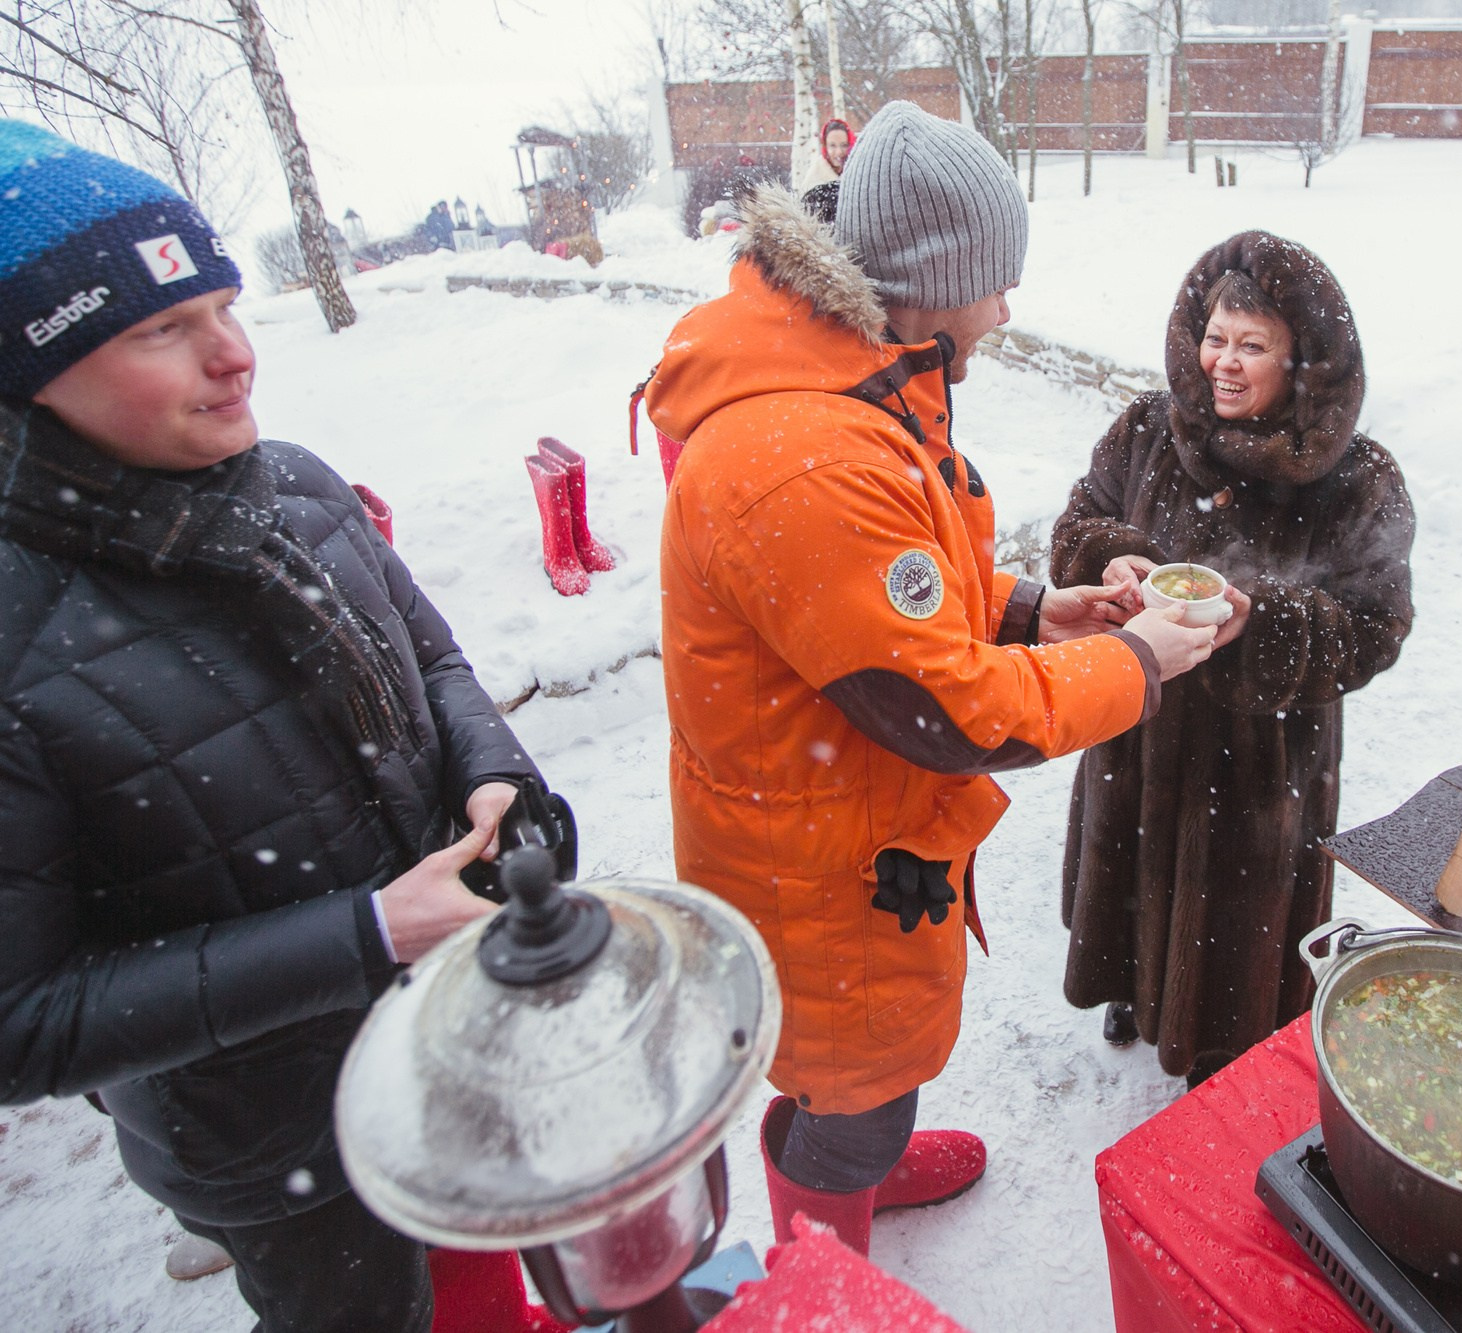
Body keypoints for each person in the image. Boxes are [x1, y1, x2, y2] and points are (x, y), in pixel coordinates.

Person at [641, 100, 1237, 1255]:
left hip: (841, 825)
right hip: (812, 858)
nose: (1006, 308)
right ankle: (824, 1263)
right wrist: (1131, 660)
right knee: (846, 1073)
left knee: (857, 1063)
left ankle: (860, 1150)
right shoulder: (802, 456)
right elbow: (945, 712)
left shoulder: (854, 370)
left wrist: (1028, 608)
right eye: (993, 282)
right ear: (927, 279)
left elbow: (887, 592)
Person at [0, 122, 540, 1332]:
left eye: (228, 307)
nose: (235, 357)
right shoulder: (16, 631)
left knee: (485, 1267)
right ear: (29, 369)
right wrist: (363, 932)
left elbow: (434, 661)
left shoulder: (294, 483)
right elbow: (19, 1019)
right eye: (161, 330)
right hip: (279, 1143)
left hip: (445, 1037)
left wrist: (495, 772)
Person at [1053, 231, 1416, 1088]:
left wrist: (1269, 628)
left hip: (1261, 765)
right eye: (1215, 338)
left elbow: (1379, 623)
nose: (1223, 362)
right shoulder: (1146, 429)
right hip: (1139, 722)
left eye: (1253, 346)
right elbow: (1077, 519)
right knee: (1132, 877)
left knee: (1234, 933)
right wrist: (1108, 555)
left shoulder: (1357, 478)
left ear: (1304, 363)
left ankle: (1218, 1041)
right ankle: (1136, 990)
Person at [794, 116, 855, 193]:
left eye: (844, 145)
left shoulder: (858, 171)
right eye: (833, 145)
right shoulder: (814, 178)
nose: (839, 152)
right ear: (825, 146)